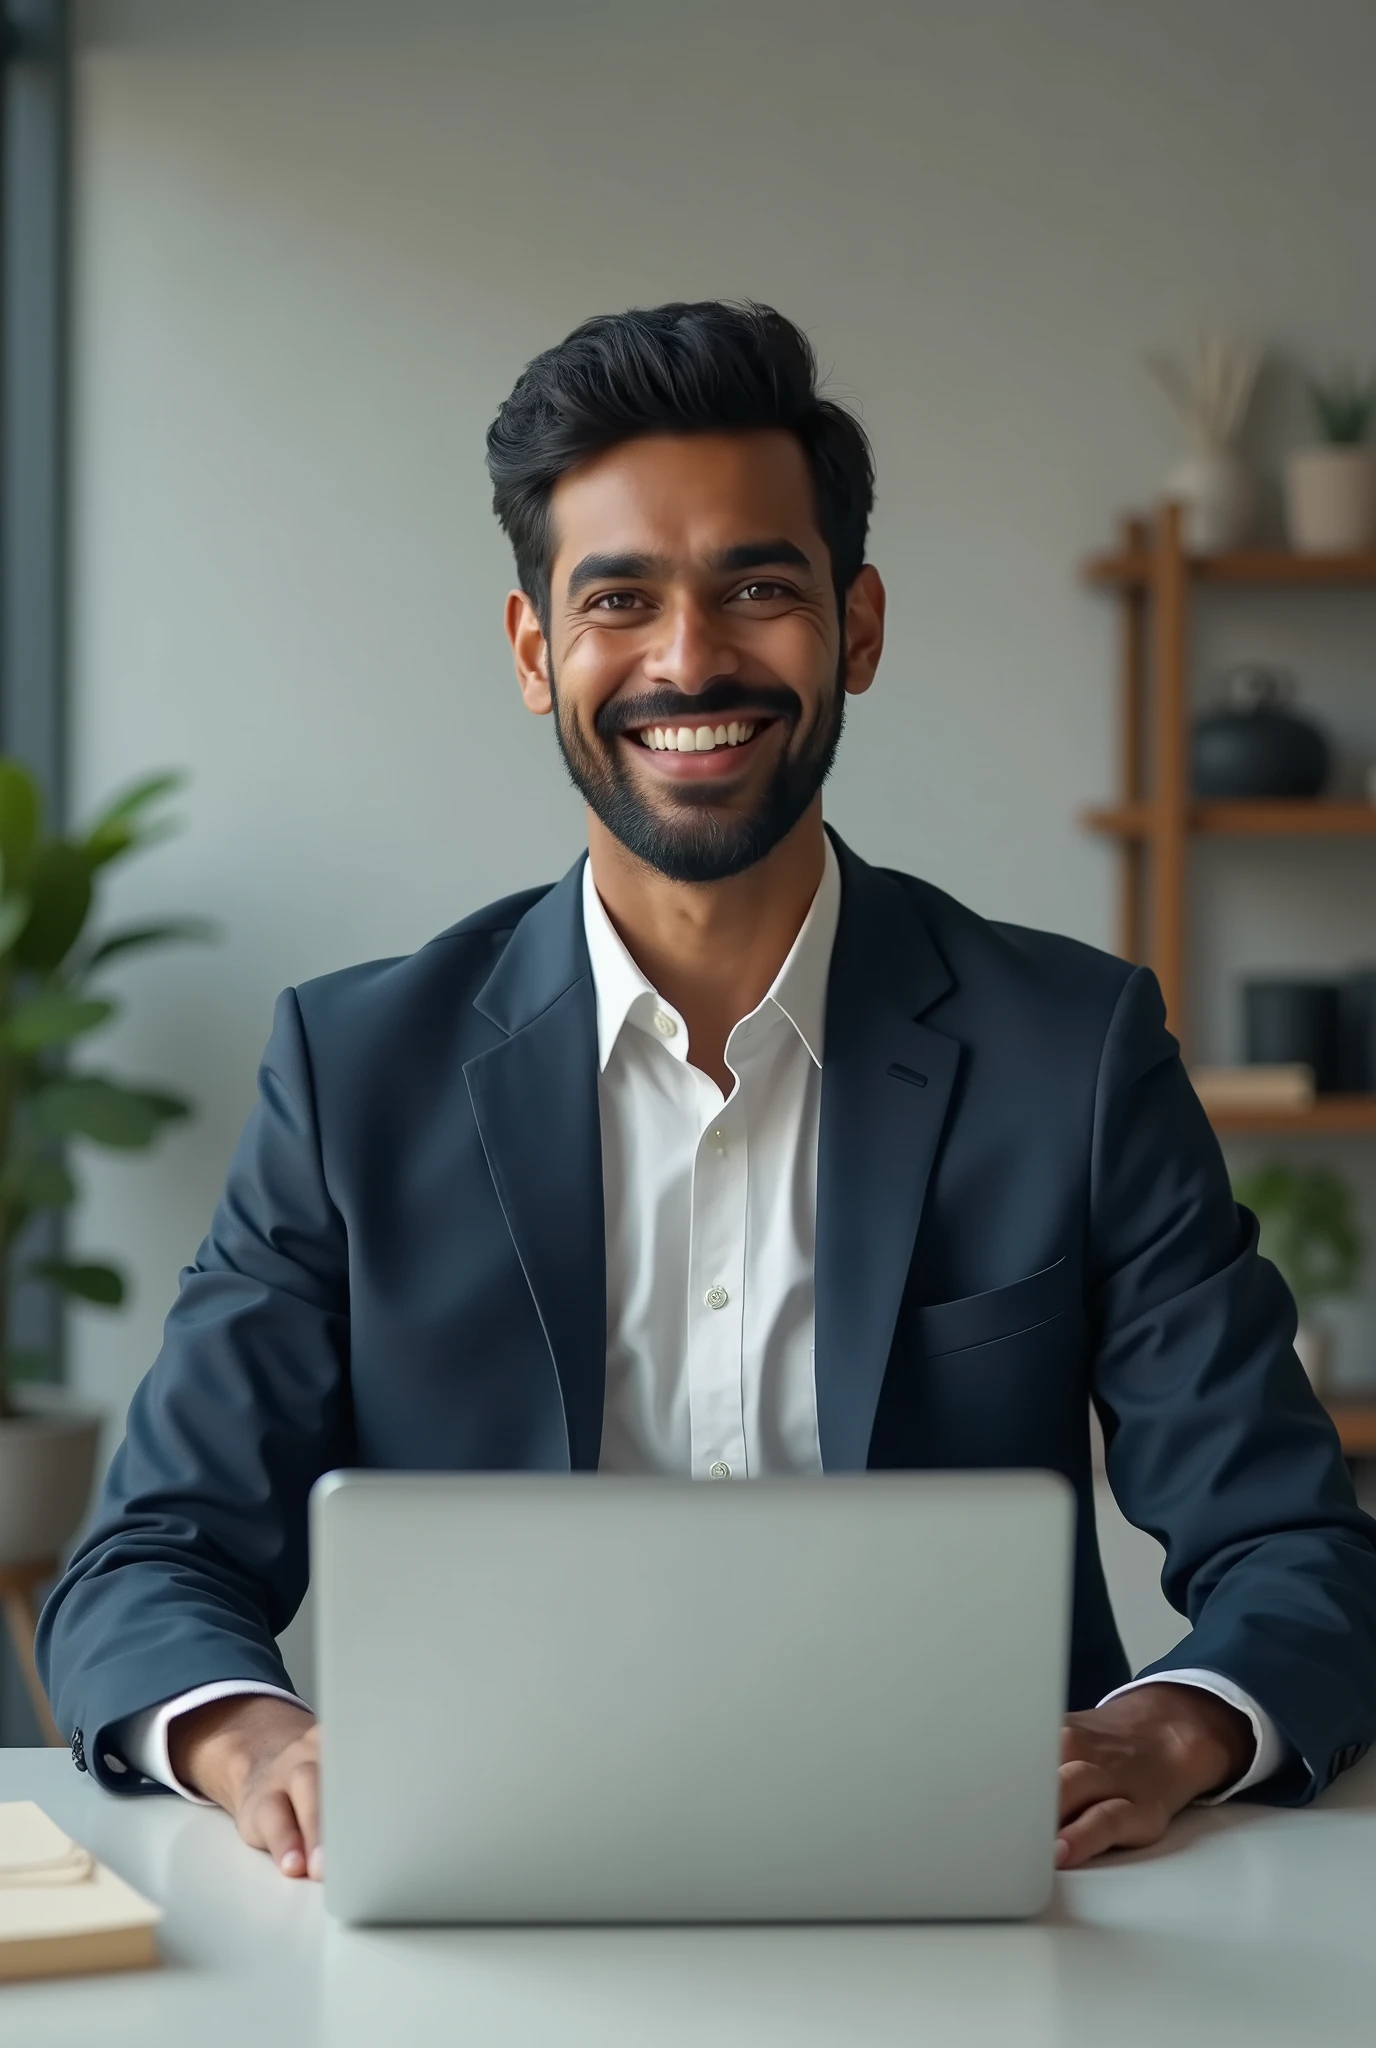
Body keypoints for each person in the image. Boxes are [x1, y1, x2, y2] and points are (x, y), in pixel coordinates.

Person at [38, 301, 1376, 1887]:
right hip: (482, 1881)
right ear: (538, 652)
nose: (690, 659)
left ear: (857, 627)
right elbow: (146, 1563)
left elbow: (1297, 1550)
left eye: (759, 587)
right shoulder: (357, 1071)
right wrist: (264, 1745)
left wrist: (1168, 1732)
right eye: (621, 600)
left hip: (979, 1887)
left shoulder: (1070, 1049)